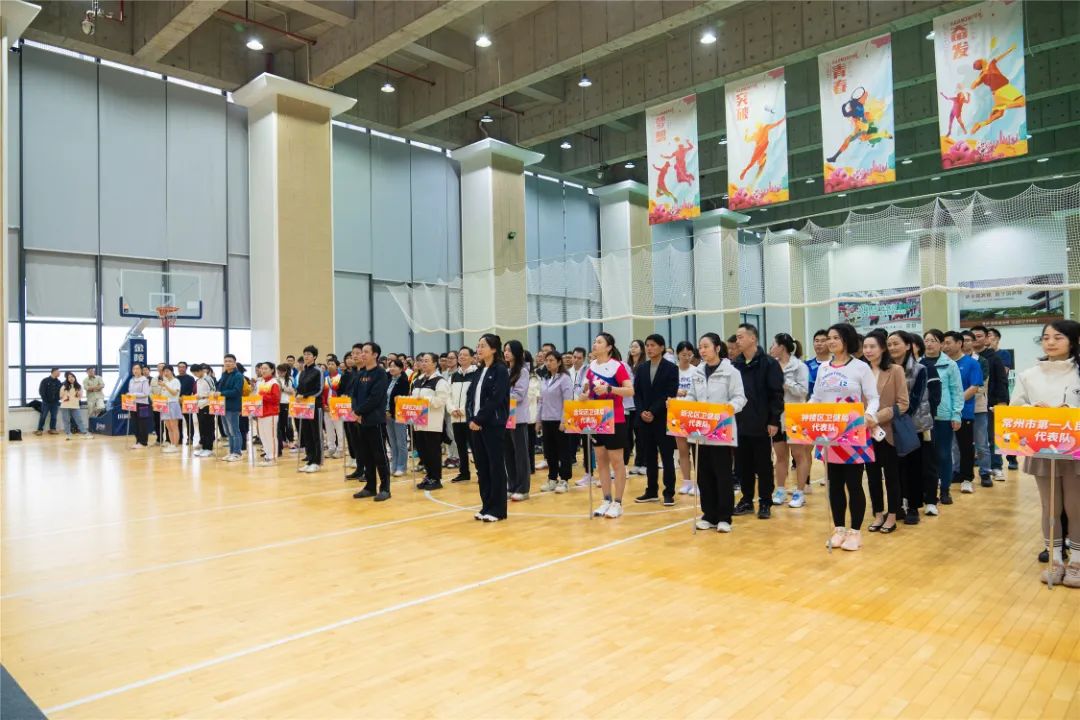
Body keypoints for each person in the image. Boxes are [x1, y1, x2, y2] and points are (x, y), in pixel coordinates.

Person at [1010, 320, 1080, 587]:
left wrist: (1069, 411)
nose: (1050, 342)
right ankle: (1055, 560)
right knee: (1050, 505)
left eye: (1058, 337)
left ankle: (1077, 561)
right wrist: (1033, 410)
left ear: (1073, 341)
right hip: (1042, 447)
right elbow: (1016, 405)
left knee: (1075, 506)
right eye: (1046, 337)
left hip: (1075, 448)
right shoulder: (1030, 375)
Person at [812, 323, 880, 551]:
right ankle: (839, 529)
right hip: (829, 434)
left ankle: (855, 533)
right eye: (829, 338)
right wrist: (804, 414)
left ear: (847, 340)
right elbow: (816, 398)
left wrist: (870, 414)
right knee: (834, 484)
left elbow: (874, 398)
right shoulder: (823, 368)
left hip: (853, 433)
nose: (831, 342)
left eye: (836, 338)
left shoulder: (860, 367)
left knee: (854, 483)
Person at [686, 333, 747, 532]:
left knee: (723, 475)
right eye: (700, 347)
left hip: (721, 431)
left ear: (717, 348)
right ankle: (709, 515)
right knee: (704, 476)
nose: (702, 350)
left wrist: (729, 408)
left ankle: (724, 517)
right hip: (700, 432)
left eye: (706, 346)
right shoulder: (697, 372)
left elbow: (740, 398)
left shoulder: (731, 372)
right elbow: (692, 396)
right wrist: (681, 405)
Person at [578, 333, 635, 519]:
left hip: (615, 419)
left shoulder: (617, 366)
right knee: (601, 460)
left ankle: (618, 503)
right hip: (597, 419)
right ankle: (606, 499)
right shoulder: (591, 367)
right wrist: (584, 396)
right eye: (594, 341)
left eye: (599, 342)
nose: (595, 344)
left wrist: (610, 389)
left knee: (617, 462)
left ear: (609, 347)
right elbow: (586, 392)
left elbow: (630, 390)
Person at [731, 323, 784, 519]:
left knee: (763, 465)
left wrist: (774, 420)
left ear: (753, 338)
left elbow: (776, 394)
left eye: (740, 337)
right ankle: (746, 500)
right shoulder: (735, 364)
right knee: (742, 464)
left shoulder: (769, 363)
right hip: (739, 423)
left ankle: (765, 501)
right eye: (736, 337)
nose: (737, 341)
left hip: (762, 423)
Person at [863, 331, 909, 534]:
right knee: (872, 476)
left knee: (891, 475)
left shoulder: (895, 370)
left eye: (872, 346)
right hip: (865, 433)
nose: (868, 350)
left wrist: (878, 417)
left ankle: (892, 515)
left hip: (887, 431)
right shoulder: (861, 371)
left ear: (882, 348)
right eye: (865, 347)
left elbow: (903, 403)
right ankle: (878, 514)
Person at [466, 334, 511, 522]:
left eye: (483, 345)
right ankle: (486, 505)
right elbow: (470, 397)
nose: (479, 349)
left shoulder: (500, 370)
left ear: (493, 349)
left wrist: (479, 419)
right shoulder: (479, 370)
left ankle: (498, 509)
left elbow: (496, 398)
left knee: (495, 466)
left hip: (492, 424)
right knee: (482, 467)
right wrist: (471, 418)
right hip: (476, 425)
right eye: (478, 346)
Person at [632, 333, 679, 505]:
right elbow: (636, 393)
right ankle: (651, 490)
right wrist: (642, 412)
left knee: (666, 457)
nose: (649, 348)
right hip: (644, 420)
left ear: (661, 347)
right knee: (649, 457)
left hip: (662, 419)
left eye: (653, 345)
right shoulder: (642, 368)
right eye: (647, 345)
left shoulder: (671, 368)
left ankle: (669, 492)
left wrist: (652, 411)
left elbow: (670, 393)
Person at [888, 331, 929, 525]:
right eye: (889, 344)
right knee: (894, 468)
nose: (892, 347)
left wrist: (895, 415)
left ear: (907, 346)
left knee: (913, 467)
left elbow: (915, 400)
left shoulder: (920, 369)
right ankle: (896, 506)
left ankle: (913, 507)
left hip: (912, 425)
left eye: (896, 343)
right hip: (888, 425)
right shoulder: (884, 368)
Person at [923, 330, 964, 511]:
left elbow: (957, 390)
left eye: (933, 340)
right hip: (924, 417)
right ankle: (927, 491)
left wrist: (956, 414)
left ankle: (945, 489)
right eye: (926, 340)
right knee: (926, 456)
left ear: (941, 344)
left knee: (944, 454)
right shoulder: (919, 363)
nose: (929, 344)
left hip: (943, 415)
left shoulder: (950, 365)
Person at [770, 333, 811, 508]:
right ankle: (780, 490)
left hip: (795, 415)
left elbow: (803, 391)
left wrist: (785, 383)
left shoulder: (799, 366)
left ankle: (800, 492)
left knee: (799, 455)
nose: (771, 348)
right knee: (780, 456)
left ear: (782, 347)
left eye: (773, 344)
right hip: (776, 416)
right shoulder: (771, 365)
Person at [349, 342, 393, 501]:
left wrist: (359, 412)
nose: (362, 354)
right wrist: (356, 411)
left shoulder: (380, 374)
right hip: (361, 421)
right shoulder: (360, 374)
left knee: (379, 455)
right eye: (362, 352)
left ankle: (385, 488)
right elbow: (354, 396)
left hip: (375, 421)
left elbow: (375, 398)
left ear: (375, 355)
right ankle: (370, 487)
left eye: (366, 352)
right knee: (366, 455)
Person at [943, 330, 983, 495]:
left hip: (964, 412)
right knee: (945, 447)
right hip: (943, 413)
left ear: (959, 343)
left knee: (965, 447)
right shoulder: (942, 363)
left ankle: (967, 479)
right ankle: (949, 474)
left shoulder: (972, 363)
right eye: (943, 343)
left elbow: (974, 387)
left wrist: (956, 405)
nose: (945, 346)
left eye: (948, 343)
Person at [972, 324, 1009, 482]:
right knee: (978, 439)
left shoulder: (994, 357)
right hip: (974, 403)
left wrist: (1002, 402)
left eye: (979, 336)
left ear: (987, 338)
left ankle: (997, 466)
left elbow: (1002, 381)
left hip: (992, 402)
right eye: (973, 337)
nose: (975, 339)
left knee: (993, 437)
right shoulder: (969, 357)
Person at [411, 352, 451, 491]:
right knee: (423, 452)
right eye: (422, 361)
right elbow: (413, 399)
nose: (423, 363)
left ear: (435, 363)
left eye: (427, 361)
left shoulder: (440, 381)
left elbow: (440, 401)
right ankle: (428, 476)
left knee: (433, 452)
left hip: (432, 423)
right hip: (418, 423)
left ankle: (436, 478)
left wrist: (424, 400)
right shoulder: (418, 380)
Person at [538, 349, 575, 493]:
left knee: (563, 451)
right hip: (546, 420)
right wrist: (538, 420)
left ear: (559, 362)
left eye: (551, 360)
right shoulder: (545, 379)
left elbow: (568, 400)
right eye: (546, 360)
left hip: (560, 421)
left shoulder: (564, 379)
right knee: (550, 452)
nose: (548, 363)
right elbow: (541, 401)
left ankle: (564, 480)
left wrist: (564, 420)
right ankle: (552, 478)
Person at [969, 44, 1025, 133]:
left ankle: (980, 124)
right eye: (982, 60)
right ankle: (1003, 106)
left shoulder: (982, 75)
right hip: (1004, 88)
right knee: (1022, 102)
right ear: (982, 62)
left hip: (996, 94)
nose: (984, 59)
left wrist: (981, 76)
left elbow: (972, 86)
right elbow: (1001, 56)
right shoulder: (990, 65)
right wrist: (1010, 49)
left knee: (999, 114)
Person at [503, 340, 532, 501]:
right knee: (508, 453)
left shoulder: (523, 371)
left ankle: (523, 488)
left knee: (521, 454)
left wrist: (501, 396)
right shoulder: (506, 371)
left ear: (516, 352)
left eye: (509, 350)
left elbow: (519, 395)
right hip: (505, 417)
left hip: (518, 418)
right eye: (505, 350)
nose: (506, 353)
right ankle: (512, 485)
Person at [448, 347, 478, 483]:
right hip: (455, 417)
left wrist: (464, 409)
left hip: (470, 418)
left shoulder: (477, 374)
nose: (462, 357)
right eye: (460, 355)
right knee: (460, 446)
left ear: (472, 358)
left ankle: (481, 472)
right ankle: (464, 473)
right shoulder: (454, 376)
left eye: (465, 355)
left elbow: (476, 396)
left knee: (475, 447)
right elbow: (448, 396)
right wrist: (452, 409)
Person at [674, 341, 698, 495]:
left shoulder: (696, 371)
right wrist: (676, 391)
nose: (686, 357)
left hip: (693, 413)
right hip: (677, 414)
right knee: (683, 450)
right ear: (678, 354)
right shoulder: (673, 371)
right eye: (683, 354)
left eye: (689, 354)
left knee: (696, 451)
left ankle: (699, 483)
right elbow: (667, 389)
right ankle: (686, 481)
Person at [296, 346, 324, 473]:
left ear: (315, 357)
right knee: (307, 434)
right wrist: (298, 394)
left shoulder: (318, 370)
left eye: (309, 354)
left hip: (316, 406)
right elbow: (300, 388)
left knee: (316, 434)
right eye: (305, 354)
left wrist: (306, 396)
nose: (306, 356)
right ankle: (310, 459)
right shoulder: (303, 371)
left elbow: (320, 389)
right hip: (304, 407)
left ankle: (317, 462)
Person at [384, 358, 411, 477]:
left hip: (398, 415)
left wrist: (391, 411)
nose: (392, 368)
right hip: (387, 415)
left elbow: (401, 400)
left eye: (395, 366)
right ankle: (394, 465)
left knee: (401, 443)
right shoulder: (388, 380)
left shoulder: (404, 382)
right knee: (392, 442)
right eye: (390, 366)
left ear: (401, 369)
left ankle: (401, 467)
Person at [252, 362, 281, 466]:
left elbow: (276, 399)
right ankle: (268, 456)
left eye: (266, 368)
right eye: (262, 368)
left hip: (271, 413)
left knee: (271, 436)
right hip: (261, 413)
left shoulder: (274, 383)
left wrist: (262, 397)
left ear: (272, 370)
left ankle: (273, 458)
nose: (263, 370)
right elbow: (257, 398)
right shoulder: (261, 383)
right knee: (263, 436)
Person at [217, 354, 245, 462]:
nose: (227, 363)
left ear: (234, 363)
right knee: (228, 431)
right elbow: (219, 387)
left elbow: (237, 391)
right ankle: (231, 452)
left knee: (234, 430)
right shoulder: (224, 374)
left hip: (233, 407)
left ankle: (237, 453)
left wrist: (221, 393)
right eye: (226, 361)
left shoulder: (238, 375)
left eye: (230, 361)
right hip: (223, 406)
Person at [625, 339, 645, 476]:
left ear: (641, 349)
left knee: (641, 436)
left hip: (639, 405)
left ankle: (643, 463)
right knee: (628, 436)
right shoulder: (627, 365)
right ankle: (635, 463)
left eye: (636, 346)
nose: (633, 349)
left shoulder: (644, 365)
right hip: (627, 405)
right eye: (631, 346)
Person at [321, 357, 345, 460]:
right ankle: (331, 448)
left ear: (337, 366)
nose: (330, 366)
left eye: (332, 364)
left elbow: (342, 392)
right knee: (329, 429)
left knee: (339, 429)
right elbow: (322, 393)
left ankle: (340, 449)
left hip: (337, 407)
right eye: (329, 364)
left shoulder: (341, 377)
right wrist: (323, 405)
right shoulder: (325, 378)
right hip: (327, 407)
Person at [193, 364, 216, 457]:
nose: (195, 375)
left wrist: (201, 395)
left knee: (208, 428)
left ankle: (209, 448)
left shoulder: (208, 379)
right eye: (194, 374)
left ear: (201, 371)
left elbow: (213, 391)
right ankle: (203, 447)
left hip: (208, 405)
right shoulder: (198, 380)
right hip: (200, 405)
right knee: (202, 427)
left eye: (196, 373)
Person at [158, 365, 183, 453]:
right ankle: (172, 444)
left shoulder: (176, 381)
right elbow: (162, 394)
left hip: (173, 404)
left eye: (167, 371)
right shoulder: (165, 382)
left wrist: (165, 385)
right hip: (165, 404)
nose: (165, 373)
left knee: (174, 426)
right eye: (164, 371)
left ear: (172, 371)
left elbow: (174, 393)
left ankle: (175, 445)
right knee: (168, 427)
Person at [59, 371, 90, 439]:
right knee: (66, 420)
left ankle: (85, 432)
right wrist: (66, 398)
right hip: (65, 406)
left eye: (72, 377)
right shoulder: (64, 386)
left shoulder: (79, 387)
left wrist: (77, 394)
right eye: (69, 377)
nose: (71, 378)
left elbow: (80, 397)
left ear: (74, 378)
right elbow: (60, 396)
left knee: (79, 420)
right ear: (67, 379)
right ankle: (68, 433)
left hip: (75, 406)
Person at [128, 363, 152, 448]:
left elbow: (146, 394)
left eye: (137, 369)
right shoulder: (131, 380)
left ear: (141, 370)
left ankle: (143, 442)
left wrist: (133, 394)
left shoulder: (144, 380)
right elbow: (130, 391)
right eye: (134, 369)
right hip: (133, 404)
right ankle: (138, 441)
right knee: (135, 423)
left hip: (143, 404)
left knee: (142, 424)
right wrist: (129, 395)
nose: (135, 370)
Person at [36, 368, 62, 435]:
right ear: (53, 372)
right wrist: (45, 399)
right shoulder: (45, 380)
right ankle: (39, 430)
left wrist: (58, 399)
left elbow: (61, 392)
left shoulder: (58, 382)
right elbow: (41, 391)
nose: (59, 373)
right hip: (46, 402)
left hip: (55, 402)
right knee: (43, 416)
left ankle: (52, 429)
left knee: (54, 416)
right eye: (58, 372)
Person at [276, 363, 296, 451]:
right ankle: (283, 440)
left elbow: (292, 391)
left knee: (288, 423)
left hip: (287, 402)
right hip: (278, 403)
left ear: (285, 372)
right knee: (280, 423)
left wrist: (283, 388)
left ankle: (291, 440)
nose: (279, 373)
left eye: (281, 372)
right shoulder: (276, 379)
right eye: (278, 372)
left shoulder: (290, 379)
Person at [176, 362, 196, 445]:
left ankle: (190, 438)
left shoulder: (190, 378)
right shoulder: (175, 378)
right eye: (180, 367)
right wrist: (178, 397)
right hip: (177, 401)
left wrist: (184, 397)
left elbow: (192, 389)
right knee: (178, 421)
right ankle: (179, 439)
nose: (181, 368)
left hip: (187, 401)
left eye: (183, 367)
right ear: (177, 368)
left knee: (189, 421)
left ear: (186, 368)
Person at [807, 329, 830, 397]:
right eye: (816, 341)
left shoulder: (836, 364)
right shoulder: (806, 365)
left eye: (823, 341)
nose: (819, 344)